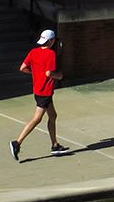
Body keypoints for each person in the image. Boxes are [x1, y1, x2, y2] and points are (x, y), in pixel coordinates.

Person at [11, 29, 67, 161]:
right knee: (37, 119)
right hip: (45, 91)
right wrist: (59, 76)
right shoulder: (51, 54)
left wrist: (35, 73)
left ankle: (55, 145)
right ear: (51, 41)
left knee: (53, 115)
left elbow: (22, 68)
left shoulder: (33, 52)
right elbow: (49, 73)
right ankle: (17, 143)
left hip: (37, 89)